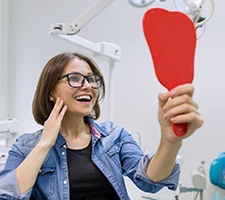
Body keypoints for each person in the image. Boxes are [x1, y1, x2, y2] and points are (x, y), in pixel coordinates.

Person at [0, 52, 203, 200]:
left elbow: (150, 181)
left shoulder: (114, 136)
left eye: (91, 79)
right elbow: (7, 196)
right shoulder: (26, 146)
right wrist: (45, 142)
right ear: (51, 92)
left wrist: (170, 142)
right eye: (75, 79)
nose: (87, 85)